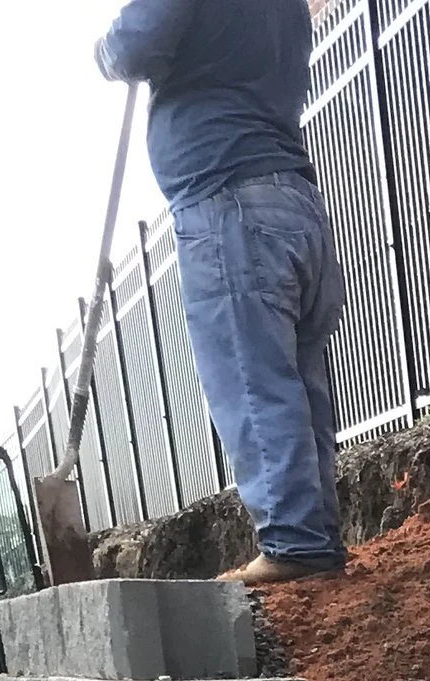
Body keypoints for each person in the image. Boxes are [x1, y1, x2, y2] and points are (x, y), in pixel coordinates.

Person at [94, 0, 348, 583]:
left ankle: (295, 542)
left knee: (252, 377)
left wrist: (105, 51)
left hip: (228, 202)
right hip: (293, 200)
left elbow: (134, 45)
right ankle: (315, 537)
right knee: (300, 385)